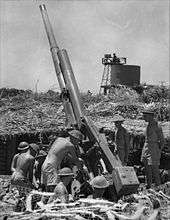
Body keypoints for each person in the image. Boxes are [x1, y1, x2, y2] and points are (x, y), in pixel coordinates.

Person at [141, 110, 165, 188]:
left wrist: (158, 151)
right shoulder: (148, 125)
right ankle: (148, 184)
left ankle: (159, 186)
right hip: (146, 147)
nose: (143, 118)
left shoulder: (157, 126)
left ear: (150, 116)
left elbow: (162, 141)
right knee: (147, 167)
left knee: (155, 168)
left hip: (154, 148)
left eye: (145, 116)